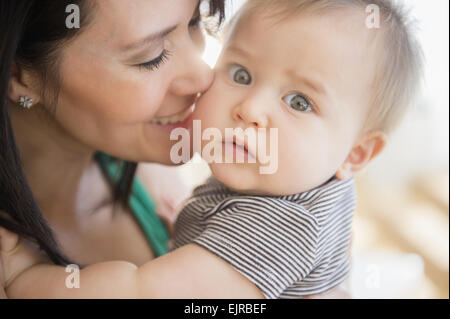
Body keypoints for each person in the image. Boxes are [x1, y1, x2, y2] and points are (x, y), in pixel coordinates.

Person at [1, 0, 423, 299]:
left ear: (357, 155)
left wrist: (26, 277)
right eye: (150, 56)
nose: (204, 75)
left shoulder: (284, 221)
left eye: (195, 24)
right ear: (19, 73)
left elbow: (142, 294)